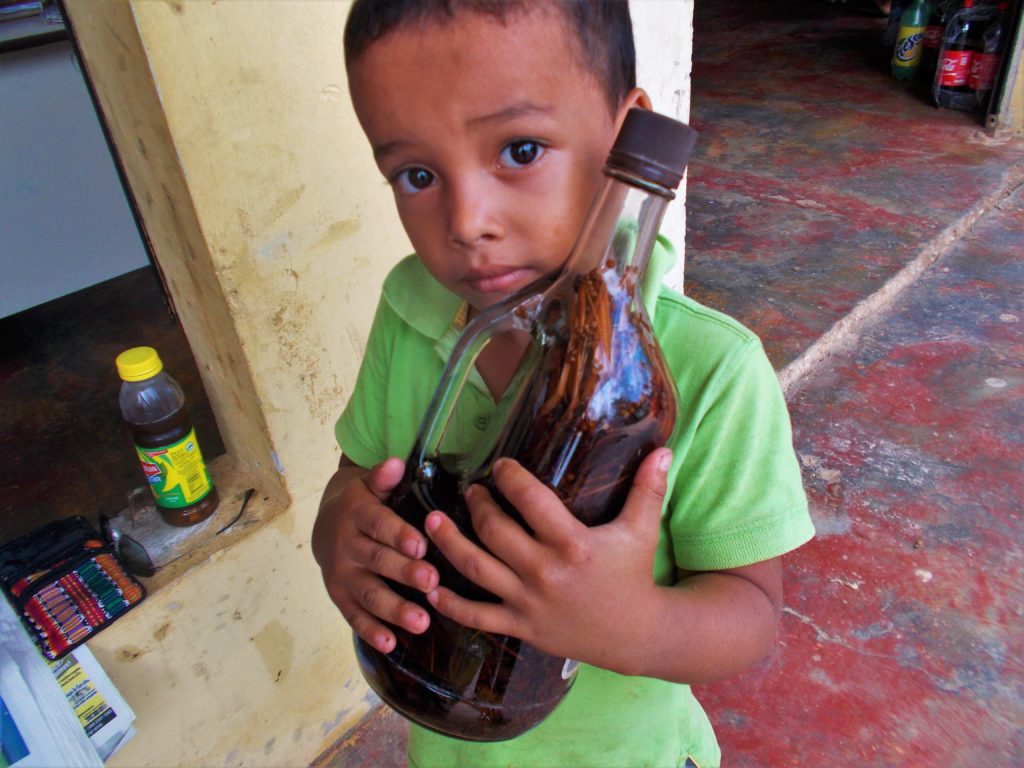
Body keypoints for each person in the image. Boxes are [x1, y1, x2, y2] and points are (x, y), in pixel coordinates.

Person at [312, 1, 815, 766]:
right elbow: (359, 475)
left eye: (518, 150)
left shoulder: (711, 371)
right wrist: (336, 534)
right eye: (416, 174)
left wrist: (628, 622)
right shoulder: (409, 311)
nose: (467, 222)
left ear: (625, 139)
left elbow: (750, 612)